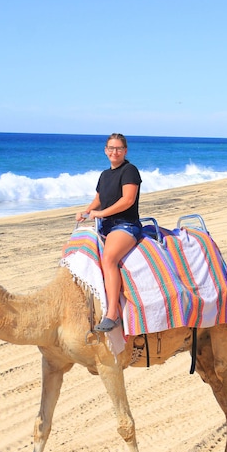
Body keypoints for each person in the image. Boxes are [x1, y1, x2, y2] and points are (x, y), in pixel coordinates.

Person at [76, 133, 143, 332]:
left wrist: (101, 213)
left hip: (125, 225)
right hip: (105, 225)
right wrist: (87, 211)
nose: (115, 152)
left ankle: (112, 314)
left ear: (125, 151)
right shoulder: (105, 175)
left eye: (119, 148)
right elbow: (99, 198)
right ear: (105, 150)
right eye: (111, 148)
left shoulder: (129, 170)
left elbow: (127, 200)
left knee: (109, 258)